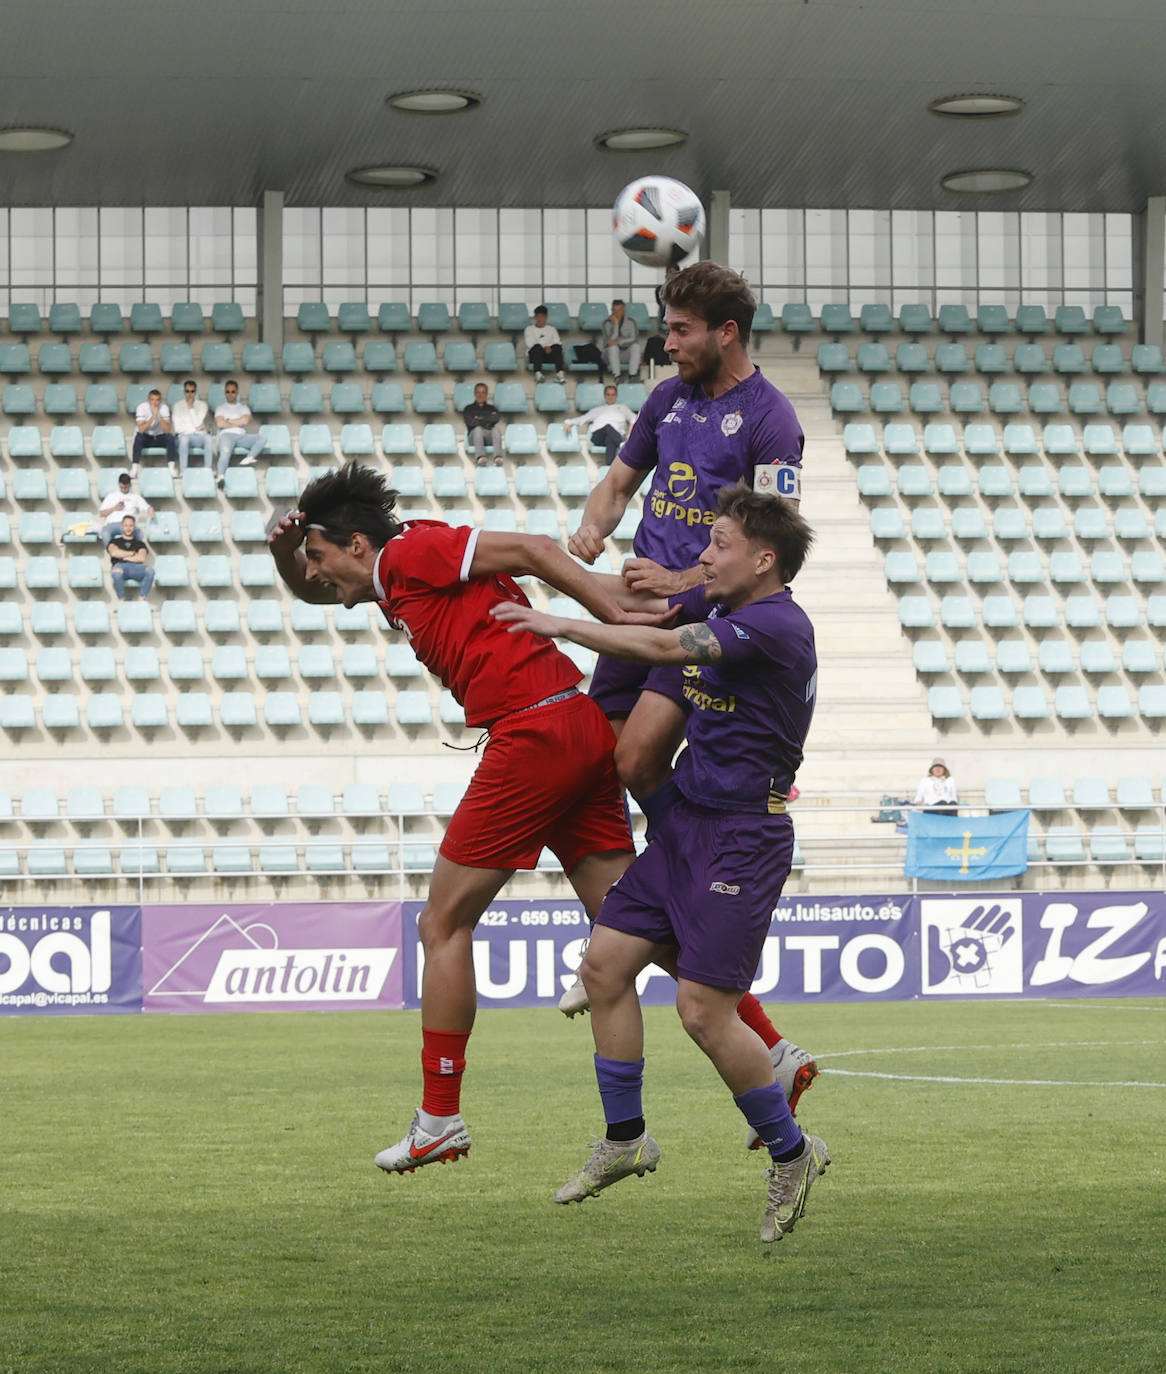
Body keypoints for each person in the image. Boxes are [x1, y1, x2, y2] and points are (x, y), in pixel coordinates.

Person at [267, 463, 644, 1177]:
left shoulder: (409, 554)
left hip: (532, 734)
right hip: (574, 725)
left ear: (354, 543)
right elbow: (310, 590)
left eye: (316, 558)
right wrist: (280, 553)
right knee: (631, 925)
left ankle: (439, 1117)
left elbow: (535, 548)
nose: (312, 575)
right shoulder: (394, 571)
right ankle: (763, 1052)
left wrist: (613, 615)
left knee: (441, 925)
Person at [492, 483, 828, 1245]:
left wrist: (554, 623)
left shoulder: (775, 625)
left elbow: (664, 648)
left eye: (720, 545)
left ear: (763, 559)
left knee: (703, 1013)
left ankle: (793, 1153)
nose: (704, 555)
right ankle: (625, 1138)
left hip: (743, 836)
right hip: (685, 825)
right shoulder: (723, 609)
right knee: (605, 966)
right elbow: (642, 612)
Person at [559, 261, 814, 1110]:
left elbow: (776, 540)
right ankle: (626, 939)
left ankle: (637, 953)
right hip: (638, 609)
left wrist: (684, 591)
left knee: (633, 756)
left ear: (725, 332)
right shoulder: (669, 401)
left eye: (680, 331)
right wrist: (593, 525)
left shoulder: (772, 420)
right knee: (608, 768)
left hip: (690, 627)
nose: (667, 345)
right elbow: (620, 482)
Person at [563, 384, 637, 464]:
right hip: (598, 436)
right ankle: (622, 446)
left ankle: (608, 467)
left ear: (616, 396)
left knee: (610, 440)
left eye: (613, 395)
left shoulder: (623, 408)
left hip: (615, 436)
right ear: (605, 396)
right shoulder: (598, 409)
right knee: (608, 427)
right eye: (608, 395)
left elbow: (634, 420)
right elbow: (582, 419)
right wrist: (568, 422)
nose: (610, 397)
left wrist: (630, 435)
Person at [213, 379, 266, 485]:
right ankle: (220, 477)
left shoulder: (243, 407)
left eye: (233, 391)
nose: (230, 394)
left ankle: (249, 457)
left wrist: (229, 421)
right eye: (227, 391)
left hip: (241, 436)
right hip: (226, 435)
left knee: (262, 439)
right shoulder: (220, 408)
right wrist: (238, 421)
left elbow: (245, 421)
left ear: (237, 392)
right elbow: (220, 424)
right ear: (225, 393)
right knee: (225, 453)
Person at [97, 472, 153, 547]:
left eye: (126, 487)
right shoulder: (111, 496)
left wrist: (151, 512)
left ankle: (133, 553)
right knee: (105, 533)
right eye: (121, 487)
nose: (123, 489)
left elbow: (147, 508)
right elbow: (101, 513)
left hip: (129, 524)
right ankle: (114, 553)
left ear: (130, 485)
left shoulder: (135, 497)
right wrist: (114, 508)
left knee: (139, 534)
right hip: (113, 523)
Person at [107, 514, 154, 599]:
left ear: (134, 527)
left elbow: (141, 558)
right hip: (120, 566)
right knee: (116, 572)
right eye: (126, 525)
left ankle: (142, 598)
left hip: (136, 567)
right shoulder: (114, 541)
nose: (128, 528)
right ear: (122, 527)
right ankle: (121, 599)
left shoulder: (140, 543)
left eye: (131, 525)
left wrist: (122, 556)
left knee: (150, 571)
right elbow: (114, 553)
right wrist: (132, 553)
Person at [131, 388, 176, 476]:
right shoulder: (142, 407)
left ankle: (171, 467)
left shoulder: (164, 408)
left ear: (160, 400)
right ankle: (134, 468)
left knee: (170, 438)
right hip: (147, 437)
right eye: (152, 400)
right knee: (138, 437)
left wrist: (158, 416)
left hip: (159, 436)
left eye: (157, 400)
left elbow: (167, 430)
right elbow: (141, 429)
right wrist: (152, 417)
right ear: (148, 400)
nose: (155, 403)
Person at [171, 379, 212, 471]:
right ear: (184, 391)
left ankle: (208, 469)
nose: (189, 394)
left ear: (195, 392)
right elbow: (178, 428)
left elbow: (197, 422)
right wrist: (196, 429)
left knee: (208, 438)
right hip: (183, 437)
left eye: (192, 391)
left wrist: (191, 408)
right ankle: (183, 470)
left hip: (198, 437)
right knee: (184, 439)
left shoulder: (202, 405)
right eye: (187, 391)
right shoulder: (177, 406)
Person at [462, 382, 503, 465]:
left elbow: (496, 418)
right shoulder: (468, 408)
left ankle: (498, 457)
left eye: (483, 392)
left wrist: (479, 419)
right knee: (478, 429)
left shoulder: (491, 408)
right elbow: (471, 423)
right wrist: (487, 420)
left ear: (487, 394)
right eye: (478, 392)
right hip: (474, 437)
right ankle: (480, 457)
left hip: (488, 435)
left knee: (495, 429)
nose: (481, 395)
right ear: (475, 393)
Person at [600, 299, 641, 382]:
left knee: (636, 346)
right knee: (613, 347)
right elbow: (610, 342)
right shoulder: (606, 323)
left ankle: (632, 375)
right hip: (609, 356)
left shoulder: (631, 322)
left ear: (624, 311)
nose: (616, 313)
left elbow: (634, 338)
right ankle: (617, 376)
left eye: (619, 310)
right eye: (614, 310)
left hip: (625, 354)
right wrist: (615, 325)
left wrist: (620, 342)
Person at [523, 304, 565, 382]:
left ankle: (560, 373)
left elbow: (557, 341)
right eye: (537, 317)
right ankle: (538, 374)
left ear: (546, 317)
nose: (539, 319)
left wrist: (549, 347)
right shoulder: (529, 329)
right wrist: (545, 346)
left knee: (557, 347)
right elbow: (530, 344)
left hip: (548, 355)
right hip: (535, 356)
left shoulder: (552, 329)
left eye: (542, 317)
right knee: (537, 347)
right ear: (535, 317)